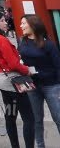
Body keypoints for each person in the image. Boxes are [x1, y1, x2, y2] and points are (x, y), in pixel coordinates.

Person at [0, 10, 34, 148]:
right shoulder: (1, 39)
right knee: (28, 117)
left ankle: (15, 146)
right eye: (1, 20)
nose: (5, 22)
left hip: (2, 79)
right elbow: (13, 63)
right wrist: (27, 71)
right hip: (13, 80)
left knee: (10, 115)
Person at [18, 13, 60, 148]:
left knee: (58, 117)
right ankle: (40, 145)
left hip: (51, 85)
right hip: (31, 86)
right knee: (36, 120)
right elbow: (20, 63)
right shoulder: (22, 42)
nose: (21, 26)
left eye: (23, 23)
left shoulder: (49, 44)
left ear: (33, 24)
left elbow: (58, 66)